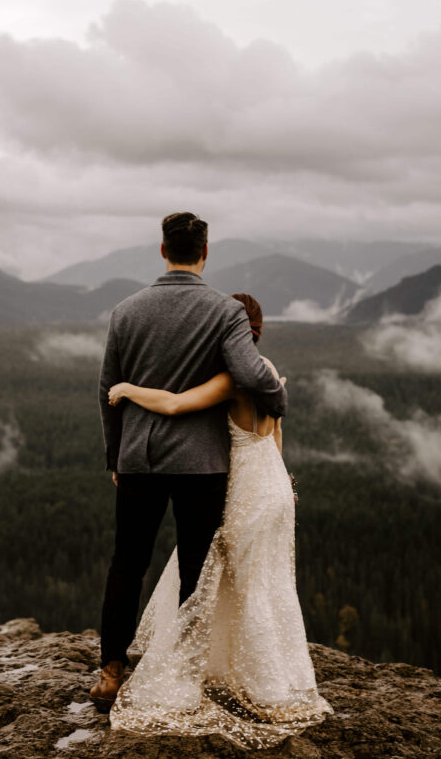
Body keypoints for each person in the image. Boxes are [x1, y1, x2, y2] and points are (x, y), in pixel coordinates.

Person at [107, 293, 332, 749]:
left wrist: (126, 389)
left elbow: (172, 405)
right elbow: (277, 438)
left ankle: (225, 670)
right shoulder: (268, 375)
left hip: (247, 487)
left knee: (223, 576)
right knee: (265, 581)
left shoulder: (233, 379)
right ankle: (269, 676)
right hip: (274, 485)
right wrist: (279, 488)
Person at [90, 213, 287, 712]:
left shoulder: (125, 311)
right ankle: (181, 675)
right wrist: (278, 401)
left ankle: (111, 671)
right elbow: (247, 371)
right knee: (196, 570)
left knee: (126, 565)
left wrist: (116, 454)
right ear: (205, 253)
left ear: (162, 250)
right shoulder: (225, 312)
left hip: (138, 457)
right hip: (202, 463)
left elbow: (106, 391)